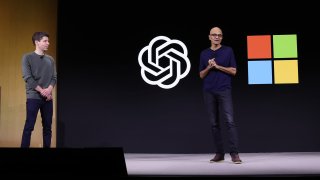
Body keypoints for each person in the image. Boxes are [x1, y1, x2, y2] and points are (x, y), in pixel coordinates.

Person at [199, 27, 242, 164]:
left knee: (229, 121)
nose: (217, 37)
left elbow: (234, 71)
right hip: (209, 91)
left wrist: (217, 67)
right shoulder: (204, 53)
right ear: (209, 37)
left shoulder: (228, 51)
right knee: (214, 124)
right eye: (214, 35)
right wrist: (209, 67)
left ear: (222, 37)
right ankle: (219, 154)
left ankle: (234, 154)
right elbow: (201, 75)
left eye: (219, 35)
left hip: (224, 90)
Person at [21, 32, 57, 148]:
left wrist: (49, 89)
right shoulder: (27, 57)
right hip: (33, 97)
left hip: (48, 99)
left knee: (47, 128)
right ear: (37, 42)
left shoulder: (50, 59)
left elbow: (54, 77)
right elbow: (28, 78)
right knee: (29, 127)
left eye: (48, 41)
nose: (48, 43)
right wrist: (43, 91)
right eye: (45, 41)